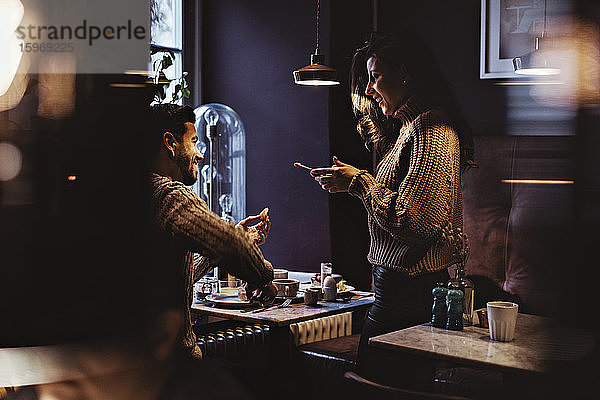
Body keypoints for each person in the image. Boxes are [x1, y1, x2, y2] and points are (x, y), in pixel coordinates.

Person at [310, 32, 475, 374]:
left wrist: (358, 182)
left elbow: (415, 221)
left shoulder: (432, 128)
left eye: (375, 76)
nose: (369, 89)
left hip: (408, 299)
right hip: (390, 294)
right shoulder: (407, 129)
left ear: (405, 73)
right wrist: (355, 179)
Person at [147, 104, 277, 358]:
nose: (199, 154)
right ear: (170, 143)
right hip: (171, 363)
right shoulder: (169, 195)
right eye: (194, 141)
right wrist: (264, 277)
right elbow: (233, 245)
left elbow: (173, 279)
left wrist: (229, 245)